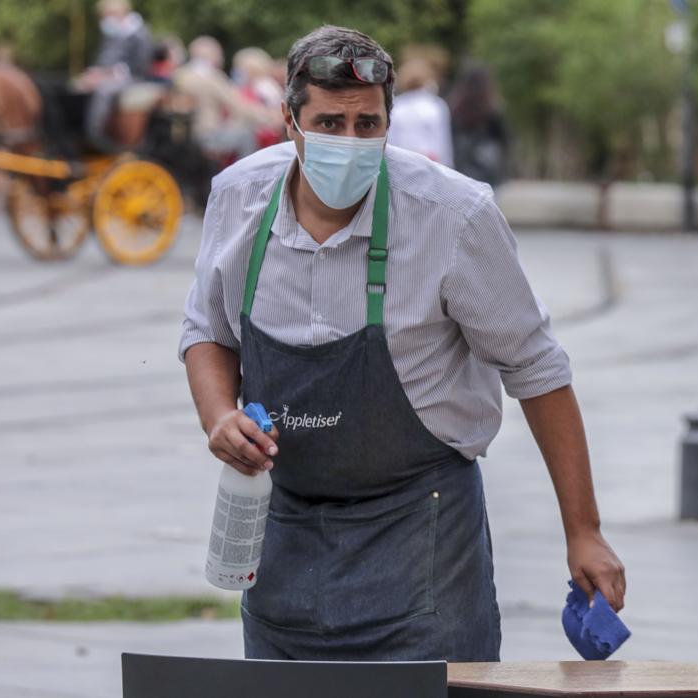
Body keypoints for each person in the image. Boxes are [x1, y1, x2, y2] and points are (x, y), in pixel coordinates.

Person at [179, 25, 625, 661]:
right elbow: (207, 331)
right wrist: (219, 414)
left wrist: (585, 532)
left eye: (369, 126)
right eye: (330, 123)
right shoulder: (239, 199)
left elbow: (537, 370)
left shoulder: (454, 213)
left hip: (424, 543)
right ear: (289, 121)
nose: (350, 142)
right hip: (286, 536)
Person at [173, 36, 278, 161]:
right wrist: (266, 118)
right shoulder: (212, 77)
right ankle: (246, 175)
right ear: (212, 55)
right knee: (246, 134)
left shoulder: (180, 74)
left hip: (181, 136)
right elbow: (237, 105)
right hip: (205, 136)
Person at [386, 46, 452, 166]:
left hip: (403, 163)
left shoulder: (396, 106)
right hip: (431, 163)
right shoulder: (436, 106)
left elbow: (391, 142)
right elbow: (443, 143)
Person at [449, 65, 510, 189]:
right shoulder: (493, 109)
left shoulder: (454, 108)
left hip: (461, 167)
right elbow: (504, 138)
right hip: (487, 168)